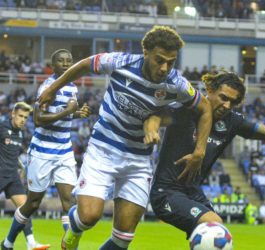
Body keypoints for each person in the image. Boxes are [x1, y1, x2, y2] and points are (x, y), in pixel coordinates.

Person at [37, 26, 212, 250]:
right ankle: (75, 228)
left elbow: (205, 109)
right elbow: (83, 65)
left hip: (138, 159)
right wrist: (53, 89)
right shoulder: (120, 62)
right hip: (103, 149)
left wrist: (199, 151)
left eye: (171, 61)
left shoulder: (176, 84)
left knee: (123, 237)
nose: (164, 68)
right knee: (89, 217)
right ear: (145, 52)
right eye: (159, 60)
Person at [146, 71, 265, 239]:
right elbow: (156, 115)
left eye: (233, 101)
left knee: (217, 235)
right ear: (210, 90)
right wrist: (152, 130)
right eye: (223, 97)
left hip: (192, 192)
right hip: (166, 192)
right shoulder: (187, 109)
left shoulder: (232, 121)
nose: (227, 105)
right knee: (214, 226)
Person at [2, 49, 91, 250]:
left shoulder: (72, 87)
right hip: (42, 151)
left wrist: (76, 114)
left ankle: (70, 247)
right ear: (53, 65)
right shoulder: (48, 87)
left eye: (69, 60)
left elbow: (61, 114)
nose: (67, 64)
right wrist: (68, 111)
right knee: (33, 203)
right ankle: (7, 242)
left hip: (64, 150)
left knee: (69, 201)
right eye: (61, 61)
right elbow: (38, 119)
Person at [0, 102, 50, 250]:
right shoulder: (2, 127)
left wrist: (21, 168)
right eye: (20, 116)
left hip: (13, 176)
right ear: (13, 115)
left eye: (26, 117)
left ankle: (31, 243)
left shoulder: (21, 133)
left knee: (24, 209)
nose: (23, 120)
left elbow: (12, 154)